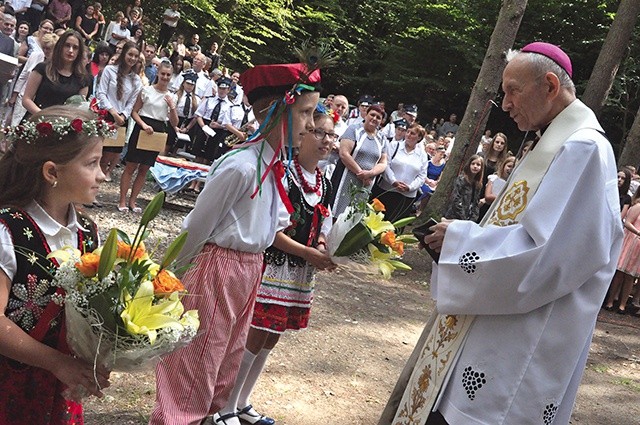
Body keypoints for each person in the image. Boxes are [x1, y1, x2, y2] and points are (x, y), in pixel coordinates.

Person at [394, 42, 623, 425]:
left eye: (512, 90)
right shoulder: (550, 144)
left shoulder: (582, 150)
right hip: (496, 324)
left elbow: (544, 256)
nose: (505, 103)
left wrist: (459, 239)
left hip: (520, 348)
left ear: (549, 85)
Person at [150, 61, 321, 425]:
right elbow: (196, 227)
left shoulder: (273, 164)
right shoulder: (241, 166)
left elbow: (272, 224)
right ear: (275, 109)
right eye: (305, 113)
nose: (310, 123)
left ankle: (201, 417)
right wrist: (169, 280)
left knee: (223, 364)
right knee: (197, 363)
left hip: (248, 269)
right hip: (219, 268)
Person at [219, 107, 336, 425]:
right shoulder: (285, 172)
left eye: (332, 135)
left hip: (299, 272)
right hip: (275, 266)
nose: (327, 141)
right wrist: (308, 252)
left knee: (273, 336)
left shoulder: (323, 182)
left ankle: (243, 402)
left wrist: (322, 246)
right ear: (304, 133)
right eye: (320, 132)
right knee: (256, 334)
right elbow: (272, 230)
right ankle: (225, 405)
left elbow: (322, 221)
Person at [0, 105, 112, 423]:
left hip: (60, 388)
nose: (103, 174)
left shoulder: (88, 234)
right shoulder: (9, 230)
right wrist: (56, 362)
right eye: (92, 164)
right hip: (9, 386)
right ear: (52, 172)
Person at [118, 59, 177, 213]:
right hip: (143, 127)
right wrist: (143, 125)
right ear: (158, 73)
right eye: (163, 74)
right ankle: (122, 200)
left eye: (168, 75)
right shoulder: (146, 90)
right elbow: (134, 111)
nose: (165, 77)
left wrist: (172, 107)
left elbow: (174, 122)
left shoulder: (172, 96)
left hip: (158, 130)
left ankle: (133, 201)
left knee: (144, 168)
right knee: (131, 165)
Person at [95, 41, 142, 181]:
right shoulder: (110, 70)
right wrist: (113, 112)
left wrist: (123, 116)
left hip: (121, 121)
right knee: (97, 154)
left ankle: (96, 190)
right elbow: (101, 93)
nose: (132, 58)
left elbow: (131, 102)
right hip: (106, 115)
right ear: (124, 54)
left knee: (107, 158)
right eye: (130, 54)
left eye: (135, 56)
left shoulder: (136, 80)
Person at [330, 103, 388, 216]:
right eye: (372, 115)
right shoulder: (354, 130)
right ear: (366, 115)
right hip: (346, 177)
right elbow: (344, 153)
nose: (374, 119)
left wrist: (370, 173)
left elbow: (383, 162)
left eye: (378, 117)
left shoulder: (382, 138)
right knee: (336, 211)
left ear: (381, 121)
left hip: (366, 183)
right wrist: (360, 173)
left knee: (354, 215)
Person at [22, 30, 89, 117]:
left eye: (75, 47)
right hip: (36, 120)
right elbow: (26, 99)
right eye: (67, 45)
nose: (70, 50)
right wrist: (45, 117)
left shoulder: (83, 79)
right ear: (60, 47)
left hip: (63, 126)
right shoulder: (42, 68)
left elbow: (78, 111)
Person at [372, 123, 429, 222]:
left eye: (412, 133)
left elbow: (422, 176)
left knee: (395, 224)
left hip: (406, 197)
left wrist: (410, 187)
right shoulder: (394, 146)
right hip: (387, 190)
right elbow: (386, 164)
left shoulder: (422, 155)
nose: (408, 135)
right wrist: (393, 181)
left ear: (419, 138)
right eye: (408, 132)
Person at [604, 186, 640, 315]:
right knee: (619, 273)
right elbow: (628, 222)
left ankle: (623, 304)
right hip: (631, 241)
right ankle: (610, 301)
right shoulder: (637, 206)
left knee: (630, 276)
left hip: (638, 248)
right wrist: (637, 232)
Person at [9, 32, 57, 126]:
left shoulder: (57, 64)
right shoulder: (35, 55)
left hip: (40, 103)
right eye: (44, 48)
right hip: (24, 96)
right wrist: (15, 95)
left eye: (49, 49)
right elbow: (23, 76)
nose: (46, 51)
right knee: (15, 125)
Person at [165, 71, 198, 155]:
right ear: (183, 83)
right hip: (174, 121)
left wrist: (187, 128)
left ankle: (173, 156)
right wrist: (175, 126)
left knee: (178, 146)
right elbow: (170, 111)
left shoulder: (195, 99)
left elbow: (195, 116)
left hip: (186, 124)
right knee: (168, 144)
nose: (189, 86)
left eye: (192, 85)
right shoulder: (177, 96)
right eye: (188, 83)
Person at [443, 154, 484, 221]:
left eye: (478, 165)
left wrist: (473, 218)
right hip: (454, 215)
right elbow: (455, 199)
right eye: (473, 164)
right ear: (469, 165)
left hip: (467, 217)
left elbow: (476, 204)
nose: (475, 166)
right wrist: (463, 217)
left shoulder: (478, 185)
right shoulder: (462, 179)